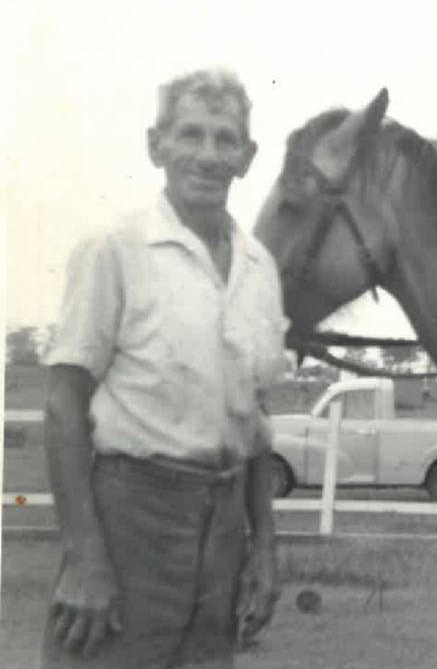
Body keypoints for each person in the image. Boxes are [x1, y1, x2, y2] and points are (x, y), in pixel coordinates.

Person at [41, 69, 290, 668]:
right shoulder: (114, 248)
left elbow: (254, 420)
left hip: (225, 527)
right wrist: (84, 556)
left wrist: (263, 549)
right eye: (190, 134)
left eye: (225, 139)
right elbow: (63, 404)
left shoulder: (259, 268)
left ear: (247, 157)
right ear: (157, 145)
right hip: (133, 515)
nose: (207, 155)